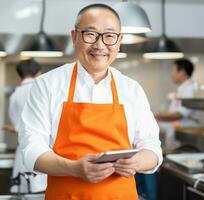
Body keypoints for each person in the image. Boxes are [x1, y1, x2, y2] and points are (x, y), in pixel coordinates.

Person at [19, 4, 162, 199]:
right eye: (90, 34)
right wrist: (73, 168)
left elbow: (152, 148)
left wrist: (136, 162)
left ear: (119, 42)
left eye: (109, 36)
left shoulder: (132, 89)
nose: (100, 45)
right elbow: (31, 149)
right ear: (74, 36)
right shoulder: (47, 85)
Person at [8, 59, 46, 193]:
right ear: (39, 73)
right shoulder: (43, 89)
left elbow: (15, 123)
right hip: (46, 150)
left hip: (23, 150)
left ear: (19, 75)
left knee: (24, 192)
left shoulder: (15, 95)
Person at [155, 58, 199, 148]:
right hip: (177, 133)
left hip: (184, 135)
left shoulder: (190, 90)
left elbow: (180, 114)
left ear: (182, 72)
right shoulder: (183, 88)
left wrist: (158, 116)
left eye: (173, 71)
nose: (172, 74)